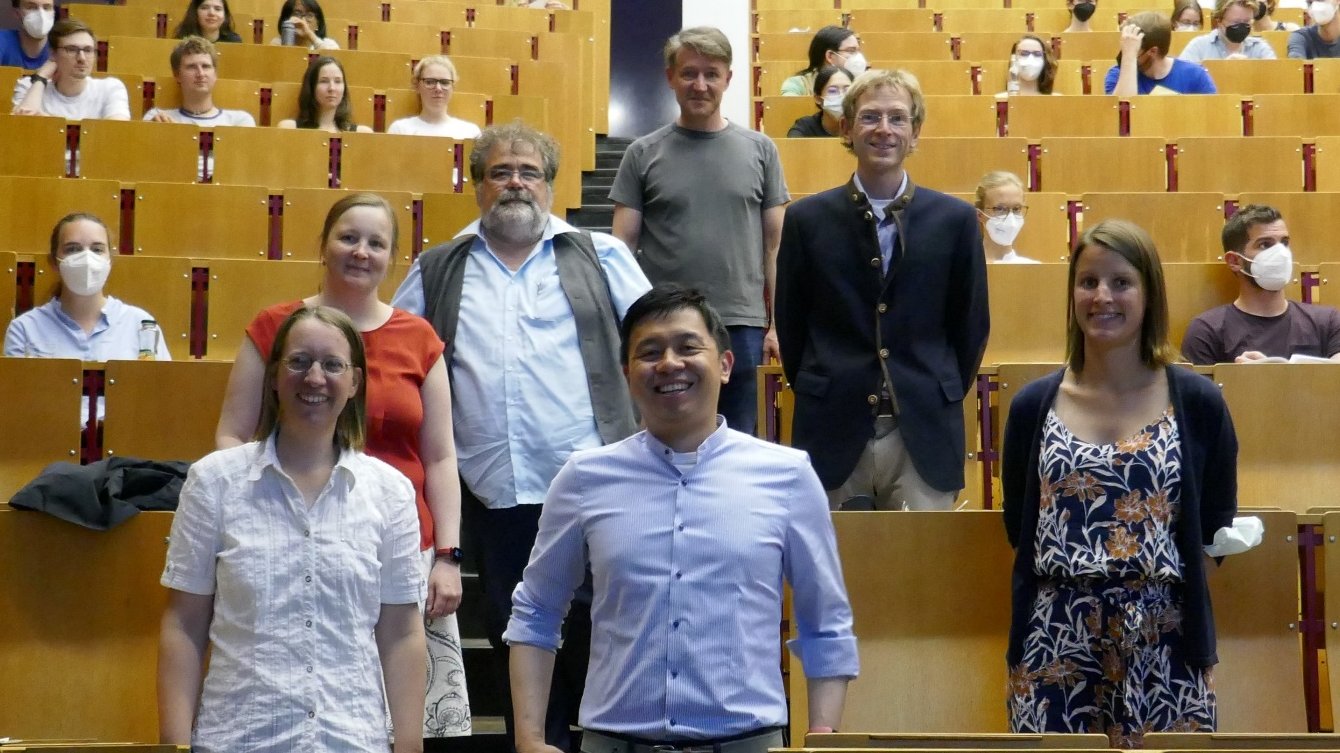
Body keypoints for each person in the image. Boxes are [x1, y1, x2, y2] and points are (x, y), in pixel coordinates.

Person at [505, 285, 859, 753]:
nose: (669, 363)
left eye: (688, 347)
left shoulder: (787, 476)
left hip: (747, 742)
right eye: (649, 352)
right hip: (615, 742)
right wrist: (530, 740)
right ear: (627, 373)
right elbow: (536, 610)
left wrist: (823, 739)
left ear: (727, 365)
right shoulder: (584, 478)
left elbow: (824, 621)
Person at [392, 121, 650, 753]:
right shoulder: (438, 266)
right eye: (500, 172)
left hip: (593, 484)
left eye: (529, 172)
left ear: (551, 185)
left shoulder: (600, 254)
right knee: (517, 639)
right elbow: (398, 354)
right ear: (478, 186)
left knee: (603, 633)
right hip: (492, 494)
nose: (515, 183)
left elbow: (657, 341)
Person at [214, 194, 472, 738]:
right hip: (293, 540)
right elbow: (233, 434)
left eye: (376, 243)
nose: (361, 252)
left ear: (394, 257)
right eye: (348, 237)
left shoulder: (419, 338)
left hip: (405, 551)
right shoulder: (275, 327)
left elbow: (441, 455)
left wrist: (447, 556)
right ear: (323, 245)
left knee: (405, 727)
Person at [1001, 219, 1237, 748]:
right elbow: (1019, 525)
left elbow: (1215, 525)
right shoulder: (1031, 406)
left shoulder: (1198, 402)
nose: (1102, 297)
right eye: (1088, 282)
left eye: (1121, 282)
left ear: (1149, 293)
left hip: (1166, 636)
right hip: (1054, 638)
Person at [160, 305, 428, 753]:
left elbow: (401, 633)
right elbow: (184, 624)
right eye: (299, 361)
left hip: (353, 739)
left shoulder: (391, 492)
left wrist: (409, 745)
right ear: (273, 374)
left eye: (333, 365)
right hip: (237, 739)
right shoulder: (213, 482)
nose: (315, 378)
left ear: (355, 383)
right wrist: (172, 745)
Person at [775, 68, 990, 512]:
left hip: (924, 430)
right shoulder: (806, 220)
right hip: (831, 426)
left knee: (919, 577)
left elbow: (970, 326)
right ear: (848, 128)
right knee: (832, 576)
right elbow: (793, 327)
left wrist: (930, 386)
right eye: (870, 117)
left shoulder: (955, 220)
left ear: (915, 133)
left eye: (898, 118)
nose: (884, 129)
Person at [611, 26, 788, 438]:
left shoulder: (761, 150)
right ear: (671, 77)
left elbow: (776, 246)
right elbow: (620, 249)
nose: (700, 84)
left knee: (738, 440)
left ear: (728, 78)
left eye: (712, 73)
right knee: (661, 435)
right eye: (689, 73)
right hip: (663, 327)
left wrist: (776, 325)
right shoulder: (641, 154)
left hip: (741, 323)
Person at [4, 212, 172, 423]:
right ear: (54, 262)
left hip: (125, 449)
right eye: (72, 249)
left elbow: (162, 399)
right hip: (50, 446)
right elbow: (18, 406)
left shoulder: (142, 324)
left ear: (110, 260)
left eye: (97, 249)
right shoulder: (24, 329)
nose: (86, 258)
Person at [1182, 204, 1340, 364]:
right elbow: (1197, 389)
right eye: (1265, 245)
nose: (1281, 254)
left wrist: (1270, 375)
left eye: (1284, 243)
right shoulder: (1206, 331)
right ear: (1235, 261)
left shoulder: (1328, 322)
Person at [11, 18, 129, 119]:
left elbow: (117, 133)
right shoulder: (28, 87)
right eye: (72, 49)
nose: (82, 58)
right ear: (53, 54)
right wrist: (41, 77)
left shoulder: (110, 88)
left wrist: (45, 119)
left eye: (88, 50)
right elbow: (23, 127)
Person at [143, 37, 255, 126]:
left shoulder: (239, 121)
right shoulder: (158, 117)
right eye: (191, 67)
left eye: (206, 66)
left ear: (215, 74)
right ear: (177, 75)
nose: (200, 74)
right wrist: (154, 130)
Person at [1106, 12, 1218, 94]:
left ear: (1153, 51)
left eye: (1133, 49)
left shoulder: (1196, 75)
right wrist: (1129, 58)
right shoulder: (1118, 74)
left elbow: (1212, 117)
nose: (1126, 52)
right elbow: (1122, 115)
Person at [387, 55, 483, 138]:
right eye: (430, 82)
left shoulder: (470, 132)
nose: (438, 88)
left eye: (445, 83)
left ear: (453, 87)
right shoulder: (399, 130)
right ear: (417, 86)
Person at [277, 55, 372, 132]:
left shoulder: (362, 134)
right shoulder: (289, 128)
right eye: (324, 81)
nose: (332, 88)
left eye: (338, 81)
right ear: (312, 87)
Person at [1179, 0, 1277, 61]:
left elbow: (1275, 82)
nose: (1242, 26)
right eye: (1236, 22)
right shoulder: (1198, 47)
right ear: (1219, 21)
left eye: (1247, 21)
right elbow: (1183, 84)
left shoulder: (1260, 48)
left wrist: (1250, 68)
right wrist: (1223, 69)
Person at [780, 25, 864, 96]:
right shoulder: (799, 84)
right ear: (830, 56)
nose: (858, 56)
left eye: (858, 51)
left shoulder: (863, 84)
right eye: (851, 51)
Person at [975, 171, 1040, 264]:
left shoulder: (1033, 269)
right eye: (1000, 209)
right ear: (980, 215)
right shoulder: (964, 268)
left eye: (1016, 209)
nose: (1010, 218)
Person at [787, 65, 851, 137]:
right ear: (818, 98)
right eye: (833, 91)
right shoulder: (806, 126)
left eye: (847, 90)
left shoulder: (861, 124)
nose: (842, 96)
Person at [0, 0, 54, 69]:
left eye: (46, 8)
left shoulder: (62, 45)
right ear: (17, 13)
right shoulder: (3, 40)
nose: (41, 15)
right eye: (31, 7)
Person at [269, 0, 338, 49]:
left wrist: (309, 34)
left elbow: (331, 63)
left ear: (318, 24)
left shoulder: (329, 45)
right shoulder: (277, 43)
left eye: (309, 15)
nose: (302, 21)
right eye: (297, 14)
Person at [172, 0, 242, 43]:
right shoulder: (182, 41)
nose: (211, 13)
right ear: (195, 13)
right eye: (204, 8)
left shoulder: (234, 42)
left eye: (217, 9)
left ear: (225, 16)